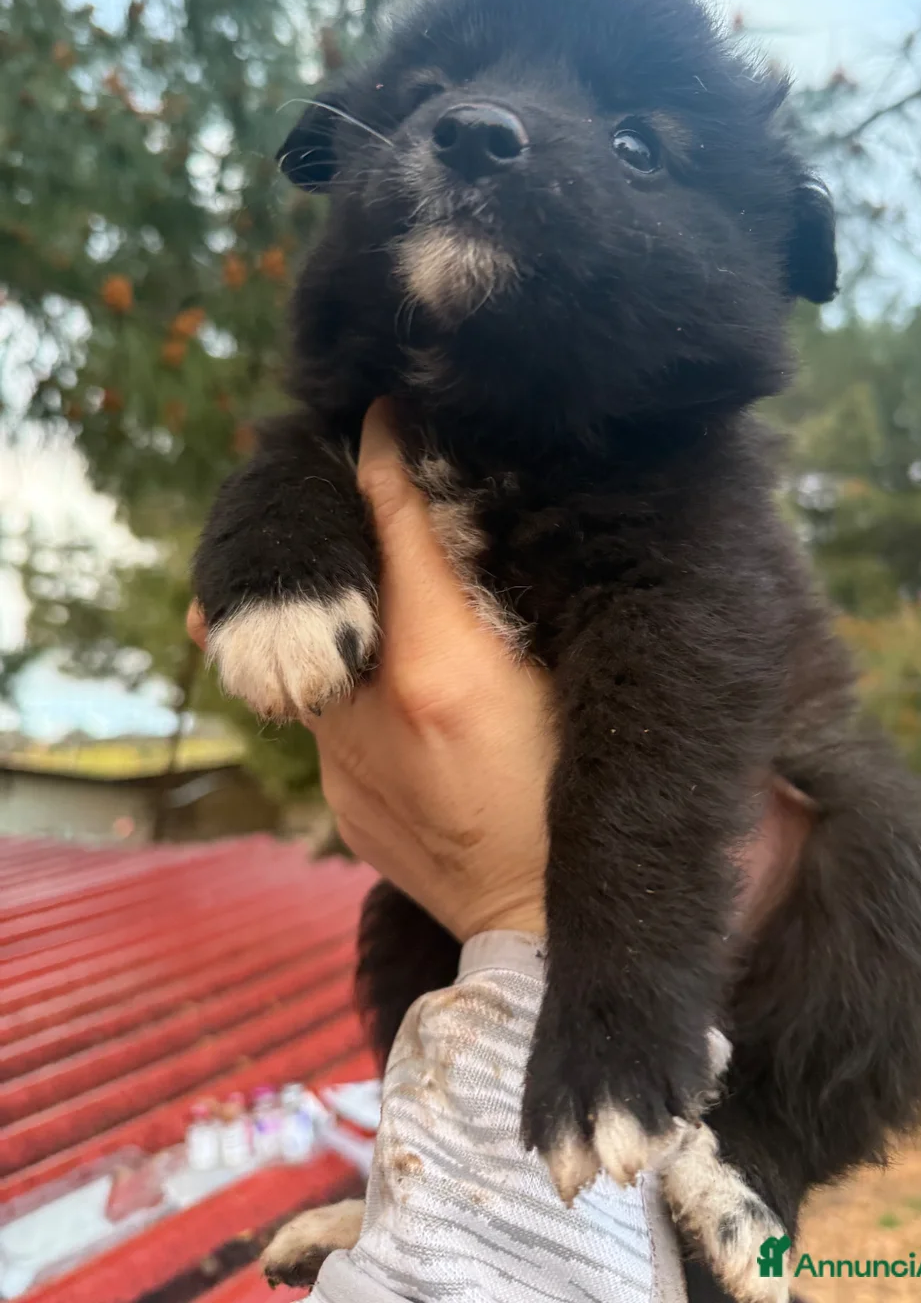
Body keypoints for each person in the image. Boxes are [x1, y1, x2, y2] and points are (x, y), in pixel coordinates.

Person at [187, 400, 811, 1303]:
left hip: (688, 944)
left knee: (891, 864)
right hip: (507, 940)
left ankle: (737, 1176)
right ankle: (424, 1190)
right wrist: (284, 528)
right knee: (394, 937)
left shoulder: (661, 469)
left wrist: (516, 907)